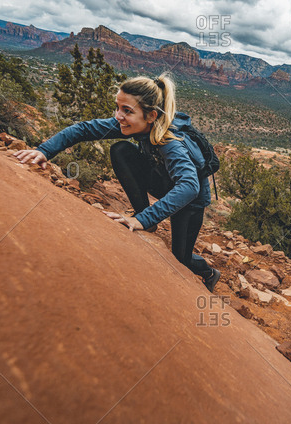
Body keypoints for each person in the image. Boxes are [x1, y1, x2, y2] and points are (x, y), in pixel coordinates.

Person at [13, 73, 221, 292]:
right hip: (163, 179)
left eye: (127, 111)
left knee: (182, 257)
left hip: (190, 201)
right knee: (121, 150)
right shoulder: (132, 123)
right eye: (118, 108)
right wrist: (44, 151)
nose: (118, 116)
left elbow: (189, 186)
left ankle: (209, 272)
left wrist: (141, 219)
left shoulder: (171, 142)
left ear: (151, 116)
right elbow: (84, 129)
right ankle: (147, 221)